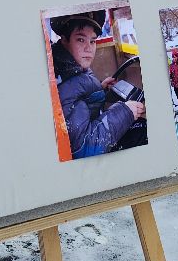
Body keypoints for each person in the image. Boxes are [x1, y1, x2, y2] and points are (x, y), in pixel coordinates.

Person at [52, 15, 144, 159]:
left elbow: (80, 96)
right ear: (64, 40)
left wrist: (101, 89)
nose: (89, 48)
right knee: (142, 131)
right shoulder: (63, 79)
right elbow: (84, 147)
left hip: (95, 124)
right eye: (80, 39)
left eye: (93, 41)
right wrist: (126, 112)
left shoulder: (71, 66)